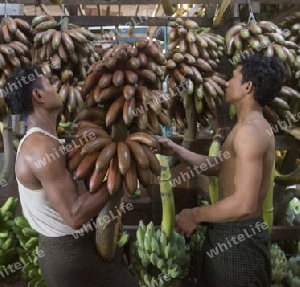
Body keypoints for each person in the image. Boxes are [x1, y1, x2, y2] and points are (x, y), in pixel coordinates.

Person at [2, 65, 139, 287]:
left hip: (75, 249)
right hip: (72, 255)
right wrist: (121, 174)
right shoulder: (40, 147)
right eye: (48, 83)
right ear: (38, 96)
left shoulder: (47, 140)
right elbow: (74, 214)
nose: (55, 87)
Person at [159, 54, 286, 287]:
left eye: (233, 77)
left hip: (239, 237)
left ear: (248, 87)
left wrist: (195, 215)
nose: (227, 83)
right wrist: (178, 151)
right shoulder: (246, 127)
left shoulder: (250, 131)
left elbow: (244, 204)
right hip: (229, 230)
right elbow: (223, 167)